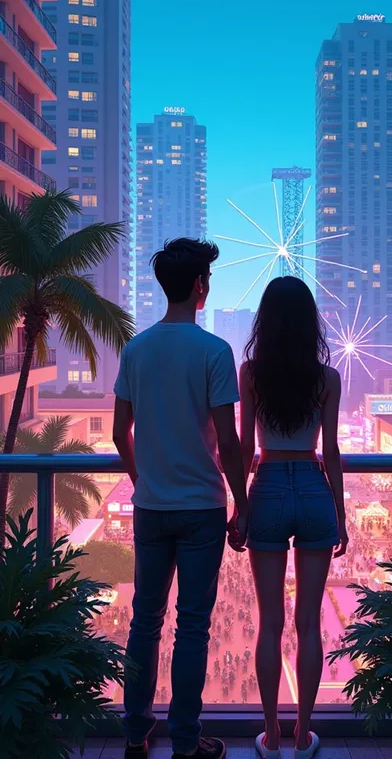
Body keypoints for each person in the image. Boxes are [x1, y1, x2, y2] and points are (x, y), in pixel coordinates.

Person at [113, 238, 248, 759]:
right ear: (199, 287)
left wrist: (141, 475)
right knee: (193, 624)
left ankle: (133, 735)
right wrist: (241, 501)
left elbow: (120, 431)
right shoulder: (214, 352)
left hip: (152, 505)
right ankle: (187, 743)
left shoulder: (136, 349)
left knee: (144, 620)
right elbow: (229, 439)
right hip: (201, 509)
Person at [239, 276, 348, 759]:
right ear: (310, 323)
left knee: (269, 623)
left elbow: (244, 450)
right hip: (311, 485)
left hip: (266, 487)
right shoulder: (327, 378)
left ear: (266, 321)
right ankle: (304, 733)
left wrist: (239, 508)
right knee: (307, 622)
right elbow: (333, 450)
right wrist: (340, 515)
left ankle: (272, 733)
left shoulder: (252, 372)